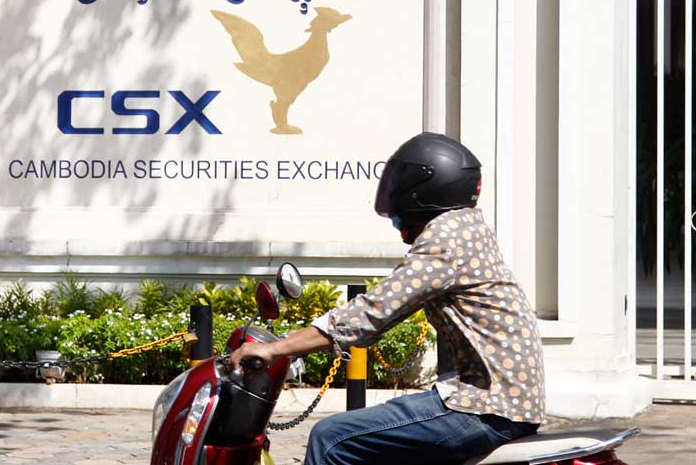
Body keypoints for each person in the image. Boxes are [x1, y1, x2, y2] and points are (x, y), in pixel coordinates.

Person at [228, 132, 544, 464]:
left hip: (484, 406)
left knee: (332, 437)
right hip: (498, 402)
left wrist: (276, 348)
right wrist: (296, 340)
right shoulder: (466, 229)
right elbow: (383, 310)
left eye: (402, 182)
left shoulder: (447, 238)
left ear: (427, 187)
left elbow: (372, 313)